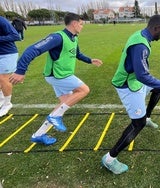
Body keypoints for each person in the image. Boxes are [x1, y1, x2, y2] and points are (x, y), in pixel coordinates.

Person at [9, 13, 103, 145]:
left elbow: (77, 54)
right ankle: (54, 116)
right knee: (83, 90)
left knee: (63, 104)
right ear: (75, 24)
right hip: (57, 76)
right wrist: (20, 70)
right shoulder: (57, 37)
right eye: (81, 24)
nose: (82, 27)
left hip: (62, 75)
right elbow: (32, 49)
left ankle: (39, 134)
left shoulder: (74, 38)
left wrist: (90, 60)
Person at [101, 14, 160, 174]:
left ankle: (147, 117)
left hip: (134, 80)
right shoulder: (141, 45)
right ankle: (109, 159)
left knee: (158, 88)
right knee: (138, 124)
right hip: (127, 84)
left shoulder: (141, 35)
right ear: (156, 28)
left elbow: (141, 74)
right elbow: (142, 75)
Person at [0, 16, 21, 117]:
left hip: (7, 54)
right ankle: (1, 100)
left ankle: (7, 104)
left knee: (3, 78)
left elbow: (16, 36)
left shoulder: (1, 20)